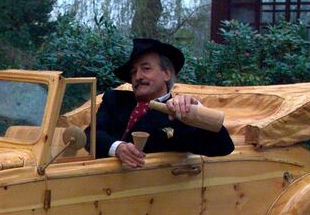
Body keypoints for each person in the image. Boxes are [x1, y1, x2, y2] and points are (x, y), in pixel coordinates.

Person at [89, 38, 234, 169]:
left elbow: (223, 147)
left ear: (166, 74)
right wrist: (118, 148)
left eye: (146, 69)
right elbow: (91, 135)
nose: (138, 76)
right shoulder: (114, 99)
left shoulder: (180, 111)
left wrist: (197, 112)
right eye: (133, 72)